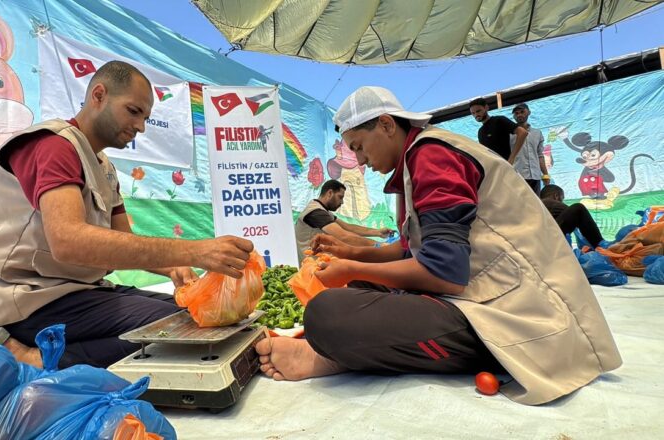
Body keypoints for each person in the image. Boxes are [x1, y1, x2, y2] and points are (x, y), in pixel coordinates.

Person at [256, 86, 621, 405]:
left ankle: (335, 356)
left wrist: (351, 267)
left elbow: (443, 272)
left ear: (385, 125)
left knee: (329, 314)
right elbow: (408, 250)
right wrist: (351, 254)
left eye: (360, 147)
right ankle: (351, 349)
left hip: (525, 319)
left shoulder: (432, 155)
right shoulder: (416, 160)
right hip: (482, 298)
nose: (362, 162)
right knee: (360, 289)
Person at [0, 61, 253, 368]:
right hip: (20, 305)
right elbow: (68, 241)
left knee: (198, 312)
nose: (141, 127)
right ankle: (34, 359)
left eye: (146, 118)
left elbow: (122, 243)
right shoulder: (54, 146)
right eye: (133, 111)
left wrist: (175, 266)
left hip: (70, 295)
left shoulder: (103, 167)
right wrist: (198, 251)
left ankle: (51, 354)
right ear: (98, 95)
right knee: (183, 329)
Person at [294, 179, 394, 261]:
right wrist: (379, 246)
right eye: (340, 197)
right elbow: (344, 236)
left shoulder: (323, 211)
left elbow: (348, 227)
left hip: (322, 263)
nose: (341, 202)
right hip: (312, 268)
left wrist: (378, 232)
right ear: (330, 193)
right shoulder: (315, 212)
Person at [540, 184, 608, 248]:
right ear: (556, 196)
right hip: (546, 239)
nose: (562, 202)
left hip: (538, 240)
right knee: (578, 208)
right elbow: (577, 216)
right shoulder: (550, 202)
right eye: (562, 199)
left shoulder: (538, 205)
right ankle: (601, 245)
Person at [469, 97, 528, 163]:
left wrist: (511, 159)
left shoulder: (499, 120)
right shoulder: (480, 132)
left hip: (508, 167)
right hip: (494, 169)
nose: (476, 115)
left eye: (478, 111)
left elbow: (523, 133)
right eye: (473, 113)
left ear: (486, 108)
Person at [510, 103, 550, 195]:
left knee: (536, 205)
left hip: (535, 176)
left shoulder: (537, 133)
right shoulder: (509, 134)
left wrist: (545, 175)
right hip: (517, 175)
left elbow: (540, 155)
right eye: (516, 113)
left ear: (529, 112)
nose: (519, 115)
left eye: (522, 112)